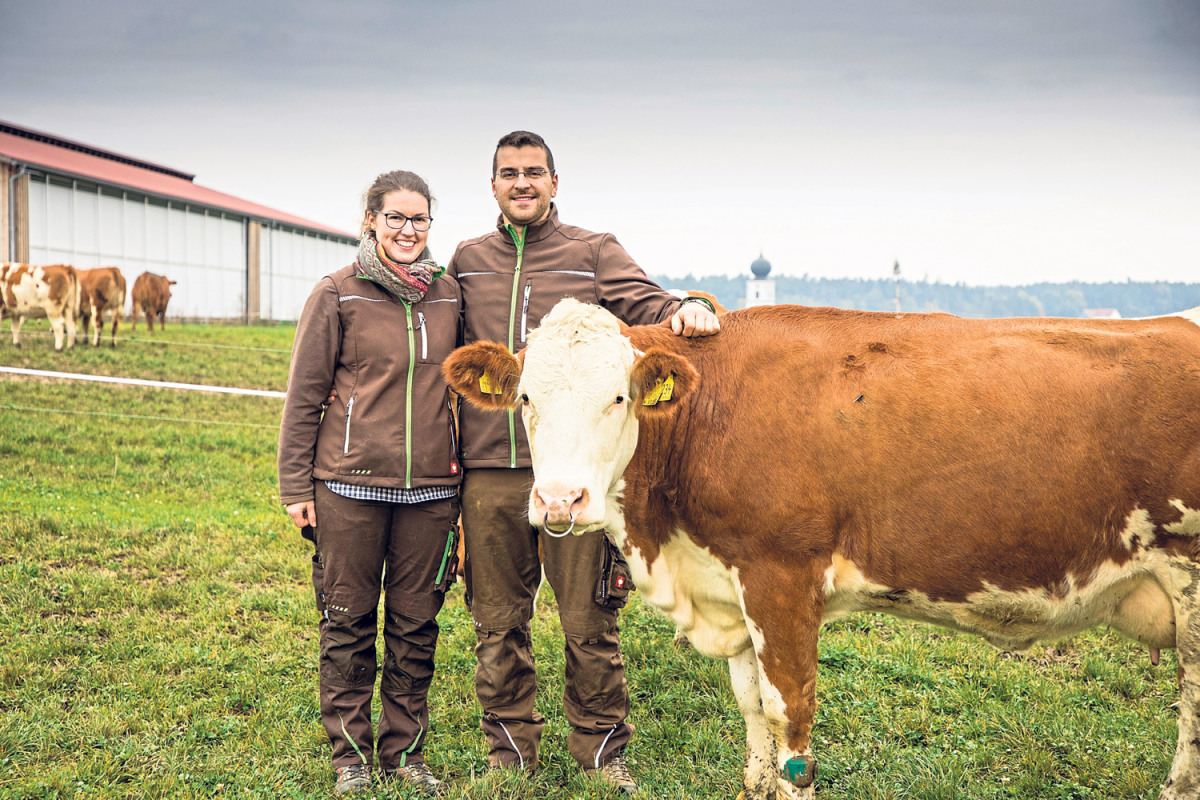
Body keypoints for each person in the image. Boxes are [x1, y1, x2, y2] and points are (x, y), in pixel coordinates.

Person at [446, 131, 720, 793]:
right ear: (493, 186)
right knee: (496, 617)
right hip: (492, 468)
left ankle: (601, 754)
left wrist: (697, 304)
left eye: (534, 173)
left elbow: (654, 305)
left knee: (588, 617)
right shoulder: (467, 259)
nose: (522, 184)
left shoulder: (592, 251)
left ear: (554, 183)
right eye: (509, 173)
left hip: (579, 469)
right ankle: (509, 753)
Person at [278, 170, 462, 797]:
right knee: (348, 620)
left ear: (430, 225)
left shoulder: (448, 296)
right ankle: (351, 757)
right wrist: (295, 485)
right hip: (348, 487)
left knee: (416, 625)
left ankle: (404, 752)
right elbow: (303, 397)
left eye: (420, 220)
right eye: (396, 218)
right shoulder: (337, 293)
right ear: (371, 222)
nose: (408, 230)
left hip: (433, 493)